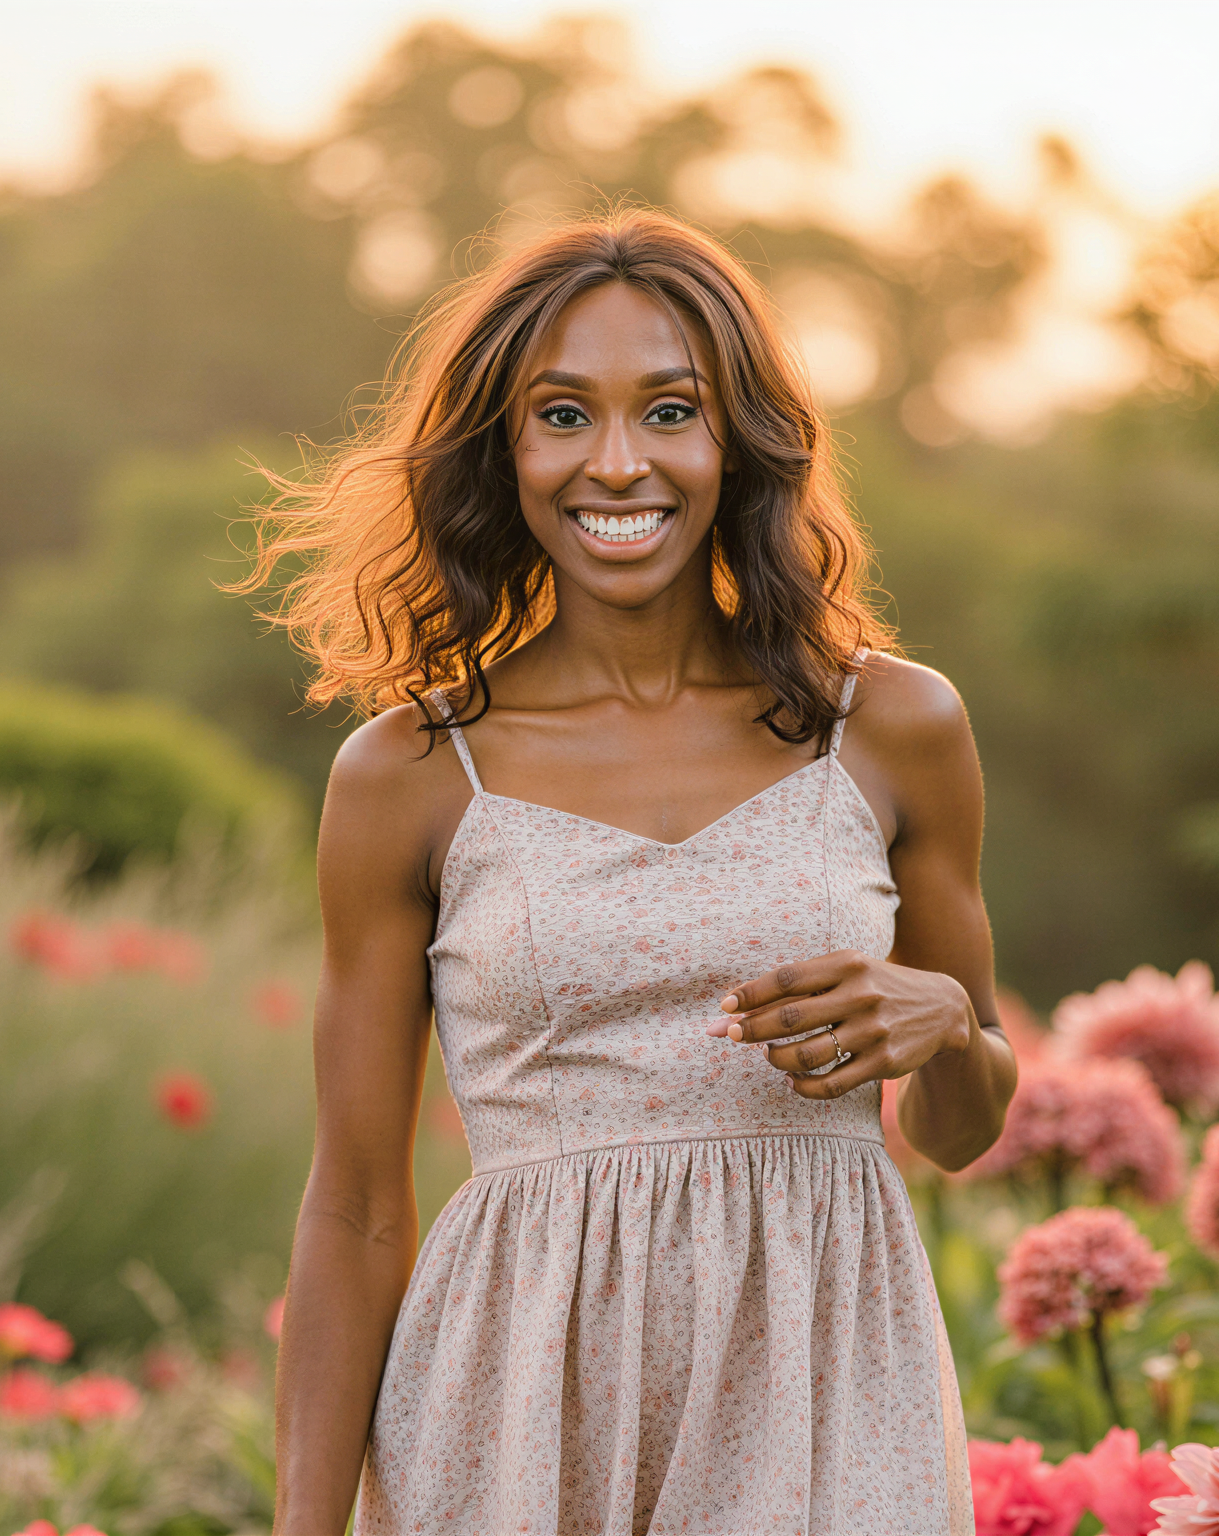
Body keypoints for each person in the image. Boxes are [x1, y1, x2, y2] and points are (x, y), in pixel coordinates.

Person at [251, 207, 1016, 1535]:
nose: (617, 465)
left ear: (739, 442)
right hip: (516, 1410)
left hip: (822, 1387)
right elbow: (360, 1206)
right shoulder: (410, 776)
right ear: (505, 449)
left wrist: (946, 1022)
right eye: (563, 416)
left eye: (670, 412)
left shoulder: (893, 727)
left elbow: (964, 1125)